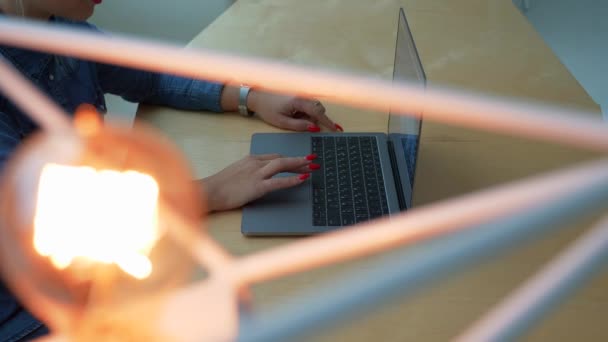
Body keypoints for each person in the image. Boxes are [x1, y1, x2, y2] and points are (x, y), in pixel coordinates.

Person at [0, 0, 343, 339]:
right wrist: (208, 192)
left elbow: (150, 74)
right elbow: (48, 217)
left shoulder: (57, 29)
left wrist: (250, 97)